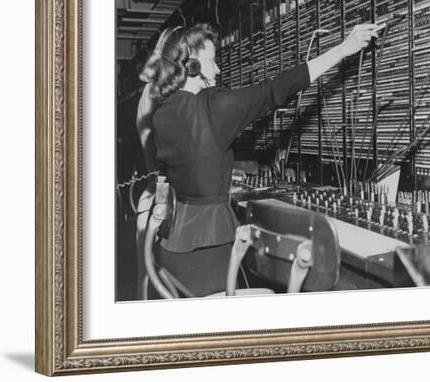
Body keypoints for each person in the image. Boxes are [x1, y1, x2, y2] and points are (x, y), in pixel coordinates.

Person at [136, 21, 379, 297]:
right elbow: (275, 90)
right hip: (208, 250)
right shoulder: (212, 108)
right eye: (212, 61)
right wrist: (344, 49)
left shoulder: (161, 114)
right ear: (192, 66)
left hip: (173, 249)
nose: (217, 69)